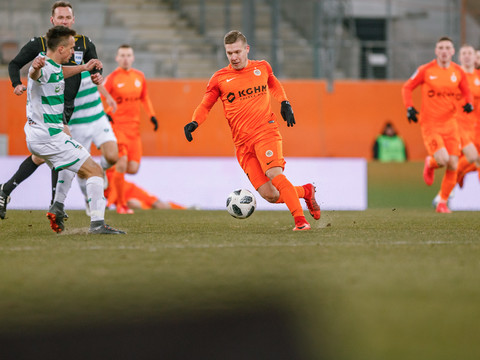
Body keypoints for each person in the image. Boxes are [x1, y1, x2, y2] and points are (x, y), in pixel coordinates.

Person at [183, 30, 320, 231]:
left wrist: (284, 102)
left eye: (237, 52)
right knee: (270, 195)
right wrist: (194, 123)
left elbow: (272, 82)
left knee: (274, 172)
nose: (234, 57)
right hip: (242, 144)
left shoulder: (261, 67)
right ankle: (306, 192)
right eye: (229, 53)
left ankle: (300, 221)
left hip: (266, 131)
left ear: (247, 49)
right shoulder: (220, 78)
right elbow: (206, 105)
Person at [0, 1, 118, 221]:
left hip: (66, 108)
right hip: (50, 111)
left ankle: (6, 190)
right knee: (62, 154)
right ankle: (56, 206)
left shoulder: (82, 43)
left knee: (40, 157)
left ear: (73, 20)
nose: (64, 21)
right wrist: (17, 83)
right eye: (60, 17)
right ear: (52, 20)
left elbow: (94, 67)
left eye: (67, 18)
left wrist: (96, 74)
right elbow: (17, 65)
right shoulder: (43, 45)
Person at [25, 25, 124, 234]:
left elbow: (59, 72)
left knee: (70, 166)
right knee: (95, 171)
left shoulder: (53, 65)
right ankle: (97, 223)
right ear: (60, 49)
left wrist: (85, 67)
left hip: (37, 135)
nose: (73, 51)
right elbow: (35, 74)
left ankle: (57, 206)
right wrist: (33, 67)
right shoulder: (42, 65)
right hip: (50, 136)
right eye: (71, 48)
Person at [402, 36, 473, 213]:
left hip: (451, 124)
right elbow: (407, 87)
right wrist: (409, 107)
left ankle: (442, 202)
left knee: (454, 165)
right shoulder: (426, 70)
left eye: (447, 48)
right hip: (431, 124)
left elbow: (467, 91)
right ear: (436, 51)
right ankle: (430, 162)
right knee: (443, 159)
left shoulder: (457, 72)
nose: (444, 51)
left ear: (452, 51)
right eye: (440, 47)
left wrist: (469, 102)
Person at [102, 44, 158, 214]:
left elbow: (145, 98)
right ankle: (120, 205)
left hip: (134, 130)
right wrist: (106, 114)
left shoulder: (139, 77)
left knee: (133, 168)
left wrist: (152, 116)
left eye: (128, 55)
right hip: (117, 127)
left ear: (133, 58)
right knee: (122, 162)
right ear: (117, 58)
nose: (125, 58)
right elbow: (101, 97)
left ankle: (108, 170)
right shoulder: (112, 78)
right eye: (122, 55)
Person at [103, 170, 186, 210]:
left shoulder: (109, 175)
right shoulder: (95, 186)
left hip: (135, 192)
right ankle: (151, 213)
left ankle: (184, 209)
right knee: (132, 204)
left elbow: (115, 191)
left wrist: (108, 205)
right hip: (127, 201)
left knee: (159, 205)